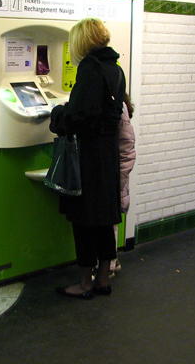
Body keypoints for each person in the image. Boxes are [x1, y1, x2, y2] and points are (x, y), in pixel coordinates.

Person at [49, 17, 126, 299]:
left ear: (82, 41)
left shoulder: (90, 68)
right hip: (108, 155)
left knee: (83, 221)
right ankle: (103, 279)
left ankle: (84, 284)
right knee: (105, 220)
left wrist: (57, 114)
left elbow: (81, 117)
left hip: (89, 156)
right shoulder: (115, 68)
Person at [111, 92, 136, 277]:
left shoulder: (118, 107)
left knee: (109, 221)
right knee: (111, 221)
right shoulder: (121, 105)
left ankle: (109, 265)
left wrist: (119, 174)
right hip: (118, 173)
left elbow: (126, 147)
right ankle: (112, 261)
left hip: (116, 173)